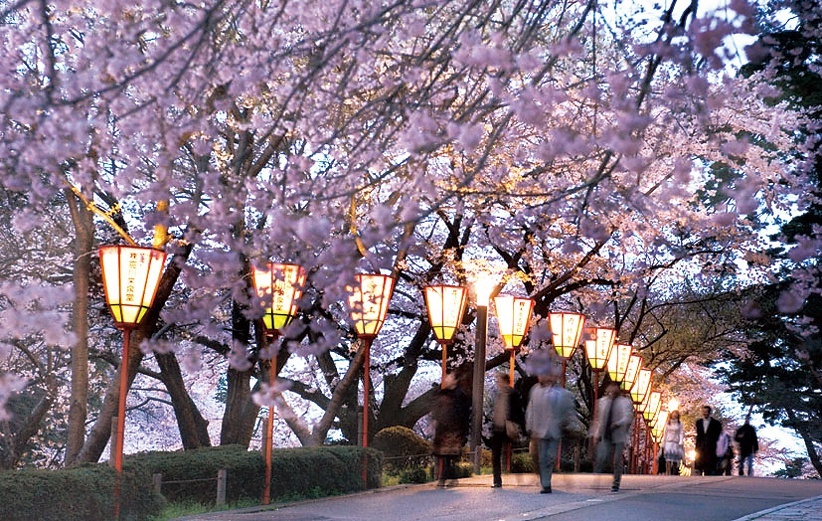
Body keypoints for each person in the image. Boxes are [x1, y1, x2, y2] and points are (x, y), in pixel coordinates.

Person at [525, 360, 575, 494]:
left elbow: (567, 410)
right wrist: (530, 425)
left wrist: (568, 424)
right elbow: (531, 409)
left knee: (550, 456)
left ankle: (546, 482)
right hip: (538, 429)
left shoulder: (560, 393)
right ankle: (544, 481)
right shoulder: (535, 390)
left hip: (553, 429)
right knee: (540, 457)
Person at [592, 382, 634, 492]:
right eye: (611, 386)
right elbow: (599, 420)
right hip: (606, 433)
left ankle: (616, 483)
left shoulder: (625, 402)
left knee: (616, 460)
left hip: (618, 434)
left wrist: (618, 423)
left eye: (615, 386)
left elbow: (628, 417)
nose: (612, 389)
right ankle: (596, 480)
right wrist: (596, 434)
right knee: (602, 457)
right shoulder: (602, 402)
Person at [431, 371, 471, 487]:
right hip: (442, 429)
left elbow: (464, 413)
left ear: (454, 380)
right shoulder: (442, 393)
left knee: (448, 454)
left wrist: (464, 430)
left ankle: (444, 478)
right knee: (445, 455)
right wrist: (434, 421)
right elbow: (436, 409)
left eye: (449, 378)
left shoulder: (460, 395)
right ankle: (450, 477)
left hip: (454, 429)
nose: (446, 380)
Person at [489, 371, 524, 488]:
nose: (498, 383)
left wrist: (520, 426)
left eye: (499, 380)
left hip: (508, 426)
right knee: (495, 455)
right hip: (497, 427)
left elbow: (519, 411)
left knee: (514, 450)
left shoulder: (513, 394)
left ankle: (519, 475)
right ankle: (497, 480)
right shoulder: (498, 394)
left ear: (505, 381)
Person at [694, 405, 722, 475]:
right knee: (700, 462)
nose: (704, 413)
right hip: (701, 445)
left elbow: (718, 434)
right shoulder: (699, 422)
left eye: (706, 412)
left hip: (711, 445)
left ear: (709, 412)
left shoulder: (716, 423)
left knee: (709, 464)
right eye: (703, 411)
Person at [662, 410, 685, 475]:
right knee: (668, 459)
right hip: (668, 441)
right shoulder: (668, 423)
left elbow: (681, 433)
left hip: (676, 442)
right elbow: (665, 433)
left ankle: (674, 472)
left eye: (676, 414)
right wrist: (663, 442)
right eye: (673, 414)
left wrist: (681, 441)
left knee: (675, 459)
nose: (674, 415)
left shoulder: (680, 424)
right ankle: (668, 472)